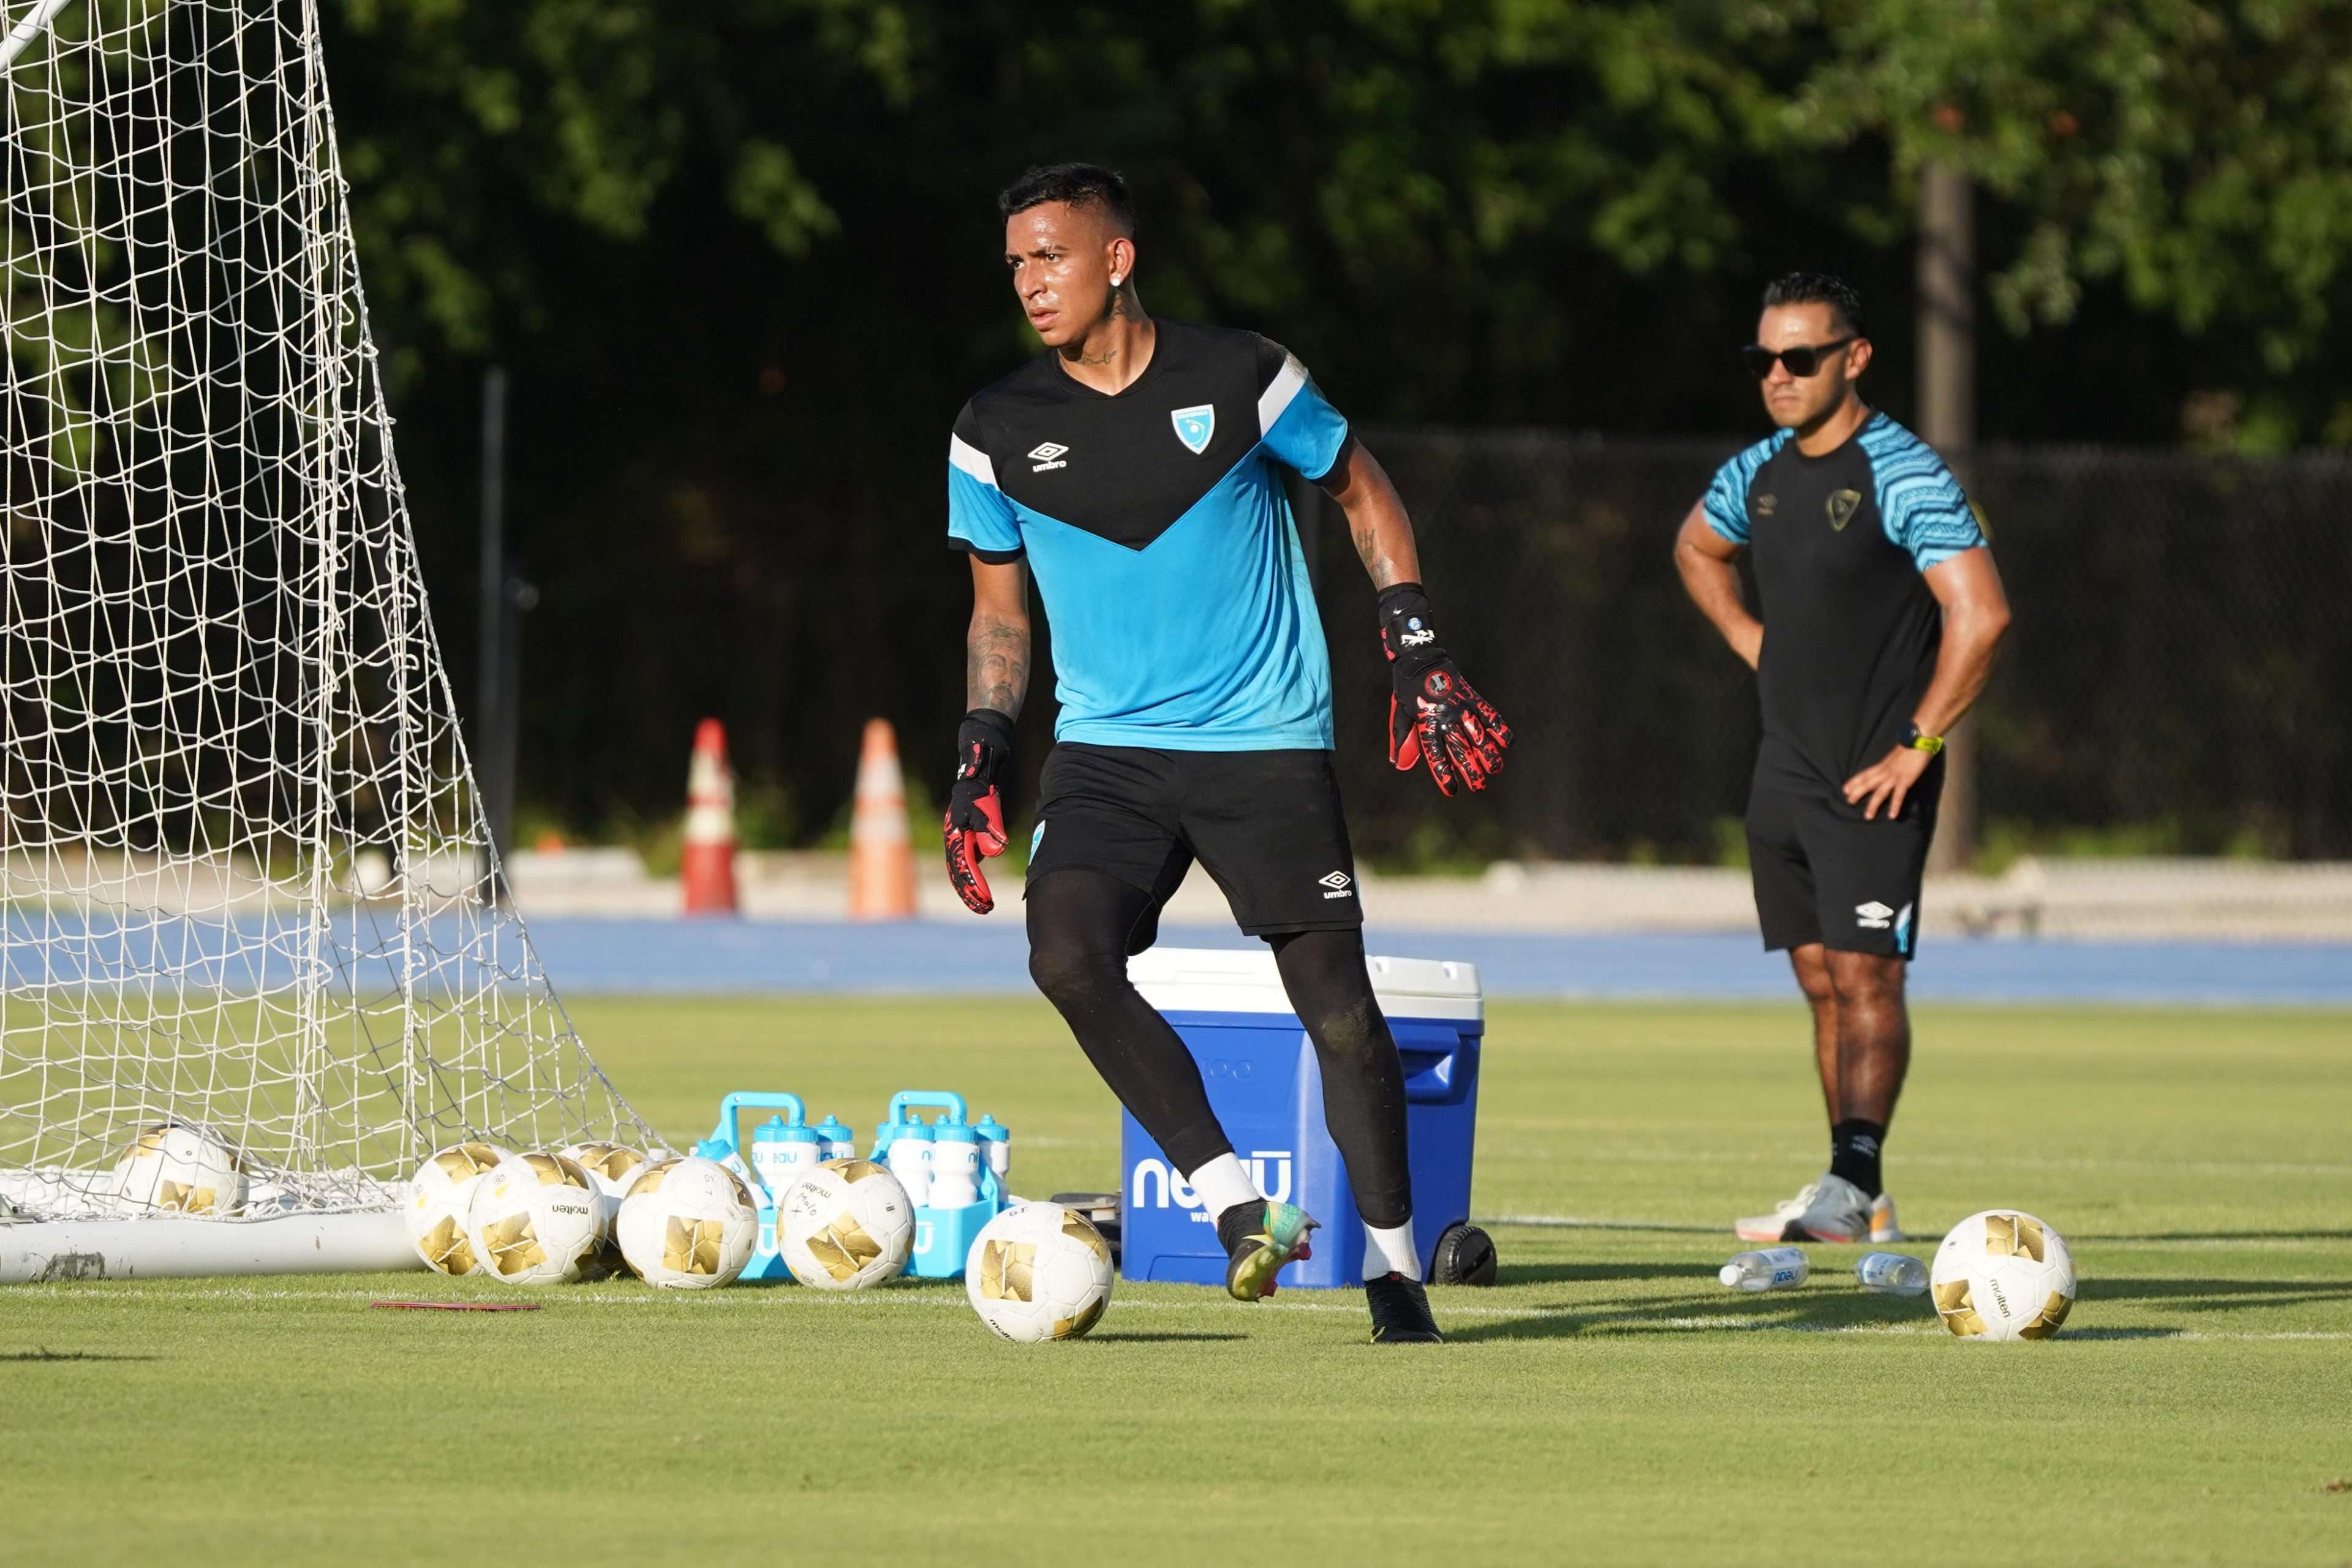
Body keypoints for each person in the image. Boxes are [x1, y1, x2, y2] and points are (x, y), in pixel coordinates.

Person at [940, 163, 1509, 1343]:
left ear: (1118, 259)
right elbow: (1000, 613)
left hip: (1264, 744)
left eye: (1051, 256)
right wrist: (982, 744)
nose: (1030, 283)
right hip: (1107, 751)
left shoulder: (1244, 374)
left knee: (1342, 1015)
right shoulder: (994, 427)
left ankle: (1395, 1272)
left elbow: (1363, 491)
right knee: (1068, 956)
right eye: (1015, 264)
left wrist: (1412, 639)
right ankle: (1238, 1207)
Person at [1673, 271, 2012, 1245]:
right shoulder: (1759, 474)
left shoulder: (1902, 471)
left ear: (1854, 358)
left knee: (1869, 980)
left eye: (1800, 358)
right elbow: (1696, 549)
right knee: (1822, 978)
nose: (1778, 376)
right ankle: (1853, 1190)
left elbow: (1982, 615)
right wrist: (1750, 640)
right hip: (1785, 770)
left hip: (1875, 772)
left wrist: (1921, 743)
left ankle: (1851, 1180)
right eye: (1763, 359)